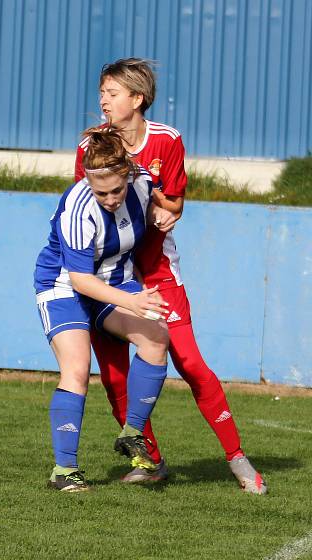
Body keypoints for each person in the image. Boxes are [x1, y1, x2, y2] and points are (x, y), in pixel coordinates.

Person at [74, 58, 266, 494]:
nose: (103, 100)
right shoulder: (91, 147)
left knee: (192, 364)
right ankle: (150, 460)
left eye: (112, 92)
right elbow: (84, 204)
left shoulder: (167, 140)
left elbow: (175, 204)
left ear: (137, 99)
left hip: (159, 274)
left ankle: (237, 458)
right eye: (101, 92)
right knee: (116, 378)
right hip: (109, 276)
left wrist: (166, 209)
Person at [34, 126, 172, 492]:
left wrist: (167, 211)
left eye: (117, 190)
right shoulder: (77, 209)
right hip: (65, 286)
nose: (110, 199)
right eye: (101, 192)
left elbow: (170, 200)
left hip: (113, 280)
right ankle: (64, 471)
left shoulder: (141, 182)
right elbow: (80, 280)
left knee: (157, 337)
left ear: (127, 175)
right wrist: (135, 301)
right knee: (77, 370)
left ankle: (132, 433)